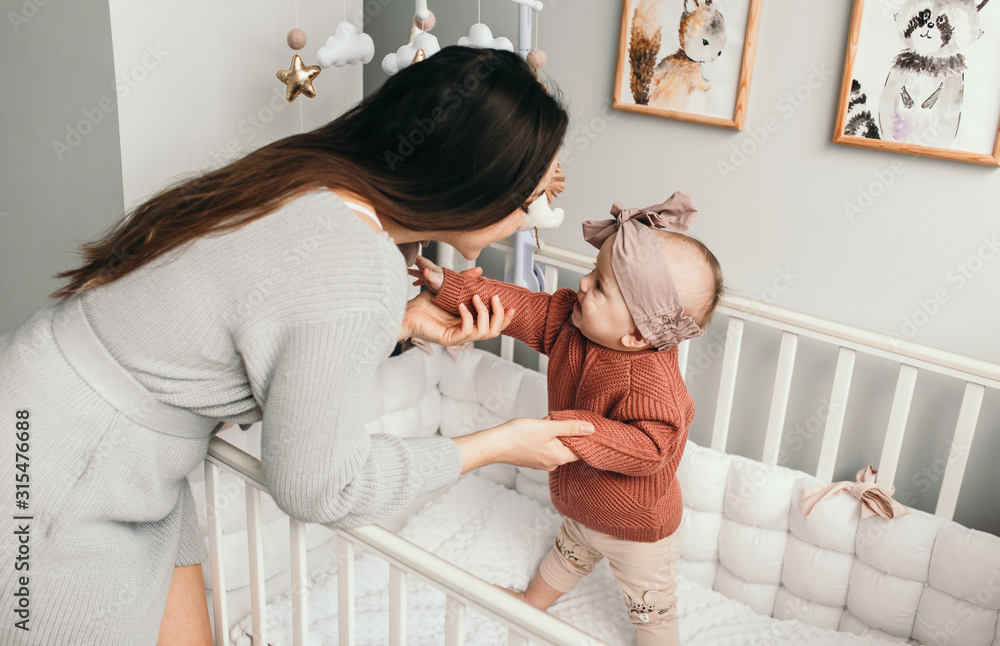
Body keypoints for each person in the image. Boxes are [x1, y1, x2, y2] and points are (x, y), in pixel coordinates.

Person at [0, 47, 598, 645]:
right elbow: (320, 487)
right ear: (473, 186)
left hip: (67, 410)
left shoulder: (310, 177)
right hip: (64, 474)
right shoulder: (356, 264)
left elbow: (265, 315)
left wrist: (404, 322)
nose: (530, 221)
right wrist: (498, 444)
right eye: (527, 203)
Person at [410, 193, 725, 646]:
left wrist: (575, 430)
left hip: (636, 528)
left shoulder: (653, 386)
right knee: (567, 556)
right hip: (582, 505)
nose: (582, 282)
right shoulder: (570, 322)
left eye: (600, 286)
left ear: (636, 335)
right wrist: (451, 286)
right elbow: (516, 306)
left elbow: (652, 448)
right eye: (593, 272)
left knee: (652, 609)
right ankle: (531, 604)